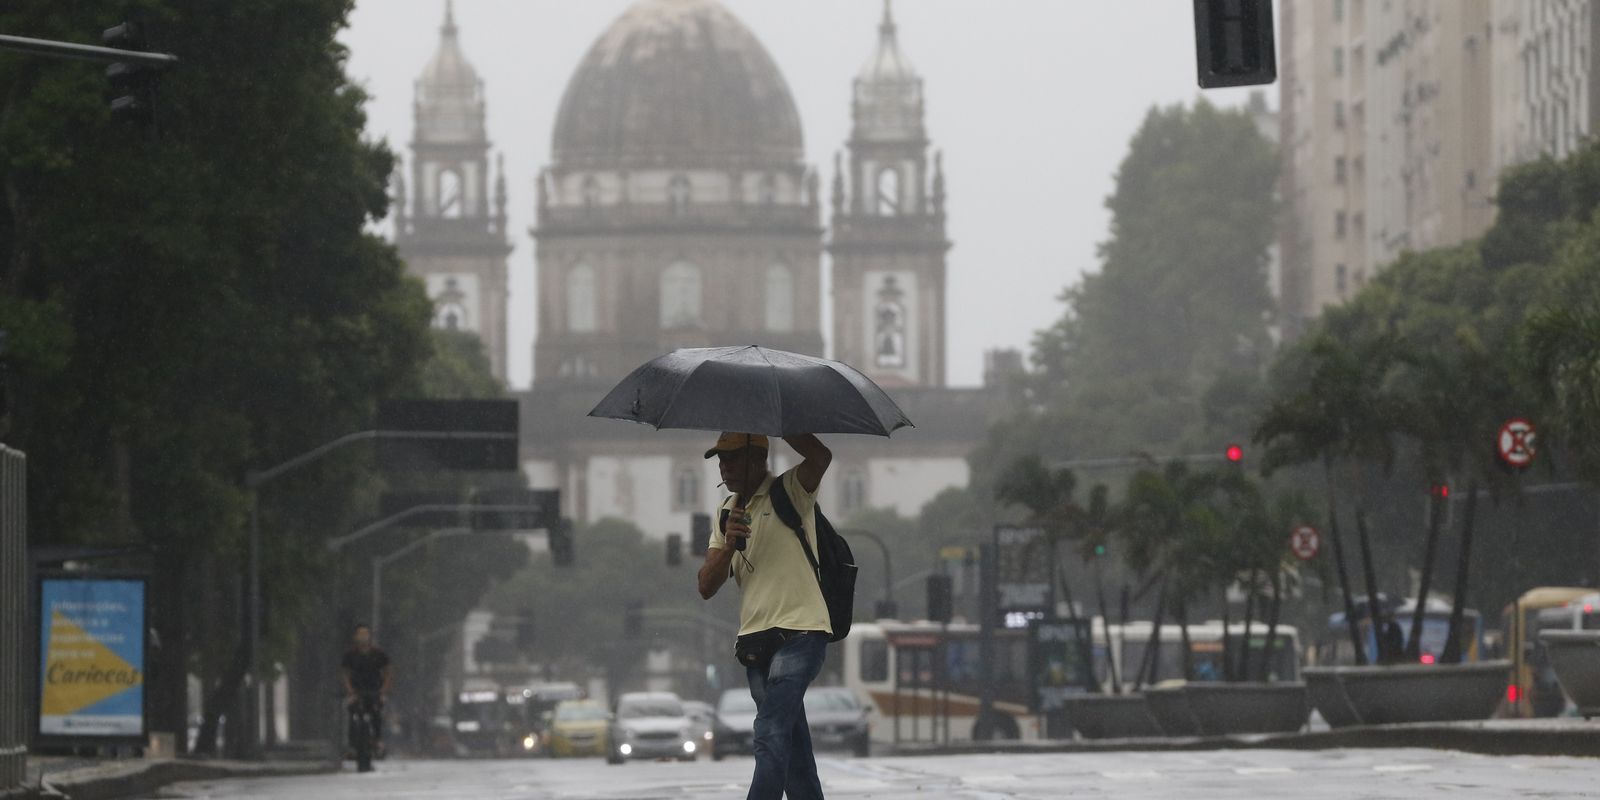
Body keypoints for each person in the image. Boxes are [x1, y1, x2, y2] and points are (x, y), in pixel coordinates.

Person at [698, 431, 833, 800]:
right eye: (720, 459)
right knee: (794, 751)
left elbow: (820, 457)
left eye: (732, 458)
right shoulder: (726, 512)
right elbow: (706, 585)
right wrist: (729, 543)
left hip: (801, 632)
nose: (723, 466)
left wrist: (783, 423)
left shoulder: (789, 490)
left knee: (770, 730)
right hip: (755, 643)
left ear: (757, 460)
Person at [340, 623, 392, 757]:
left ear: (370, 636)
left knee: (376, 713)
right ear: (355, 637)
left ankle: (378, 741)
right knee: (353, 715)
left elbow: (387, 673)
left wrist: (383, 692)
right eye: (360, 634)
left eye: (365, 634)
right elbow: (345, 674)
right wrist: (350, 691)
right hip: (356, 691)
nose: (363, 637)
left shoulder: (379, 654)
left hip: (375, 691)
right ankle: (352, 746)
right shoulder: (350, 655)